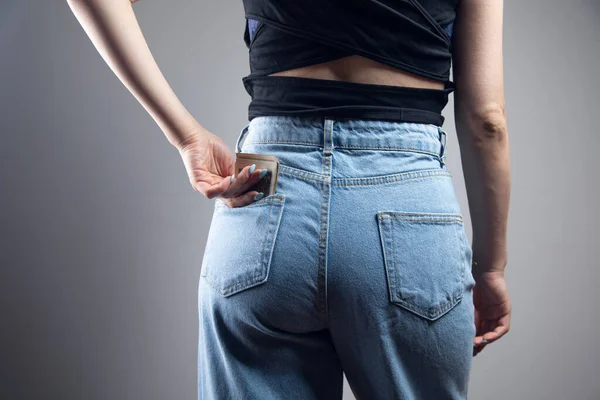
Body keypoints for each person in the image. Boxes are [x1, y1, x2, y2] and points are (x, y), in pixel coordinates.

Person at [66, 0, 511, 398]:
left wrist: (187, 137)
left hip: (263, 186)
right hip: (407, 198)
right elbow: (486, 122)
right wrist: (490, 268)